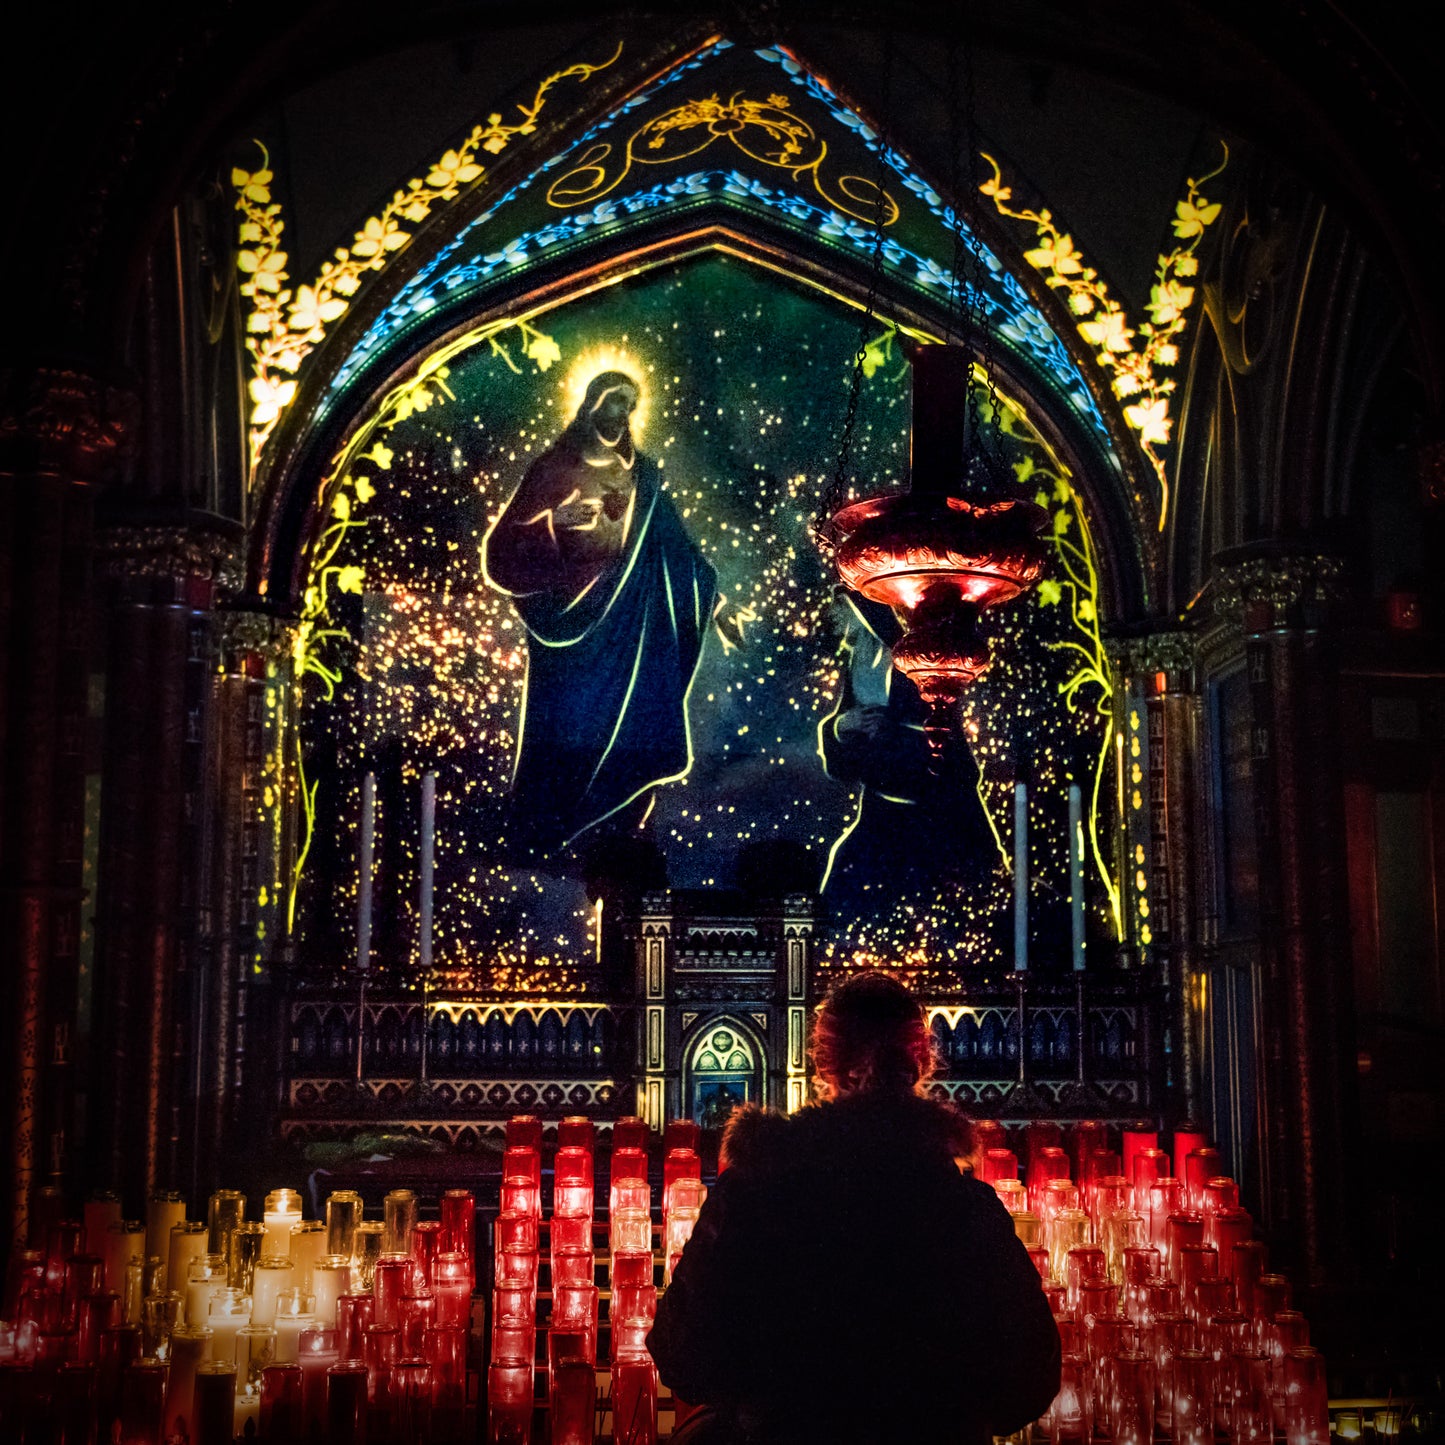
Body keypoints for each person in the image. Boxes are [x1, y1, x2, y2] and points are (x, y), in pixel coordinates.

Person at [648, 971, 1061, 1445]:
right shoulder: (966, 1209)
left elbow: (682, 1353)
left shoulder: (753, 1193)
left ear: (824, 1064)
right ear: (921, 1061)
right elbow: (1033, 1374)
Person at [482, 369, 716, 857]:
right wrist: (564, 519)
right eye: (612, 402)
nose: (619, 414)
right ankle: (549, 832)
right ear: (591, 406)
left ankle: (621, 830)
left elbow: (672, 546)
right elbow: (509, 538)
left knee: (640, 721)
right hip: (569, 619)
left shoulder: (643, 474)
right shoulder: (556, 466)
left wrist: (714, 599)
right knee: (567, 726)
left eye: (628, 405)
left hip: (632, 617)